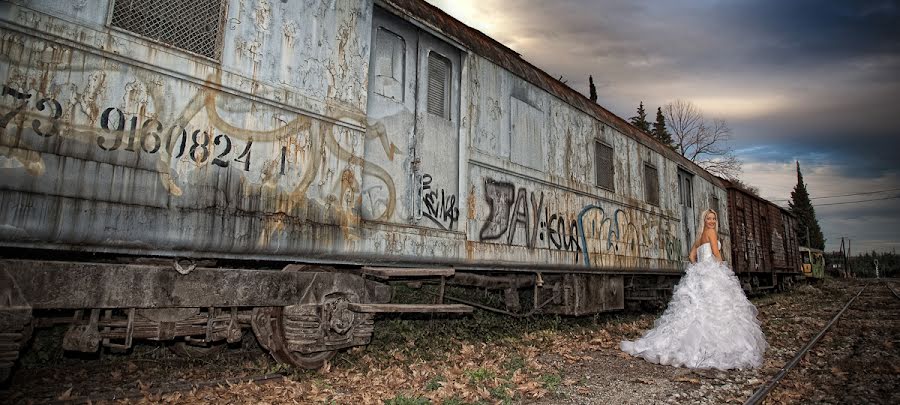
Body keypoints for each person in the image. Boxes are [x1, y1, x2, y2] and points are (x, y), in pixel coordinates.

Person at [620, 209, 767, 370]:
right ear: (704, 220)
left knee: (695, 309)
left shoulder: (700, 236)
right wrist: (720, 267)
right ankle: (709, 349)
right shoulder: (711, 233)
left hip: (699, 273)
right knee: (718, 310)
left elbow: (691, 256)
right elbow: (717, 254)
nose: (711, 221)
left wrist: (700, 265)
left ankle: (685, 347)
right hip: (711, 273)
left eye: (713, 219)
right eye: (708, 219)